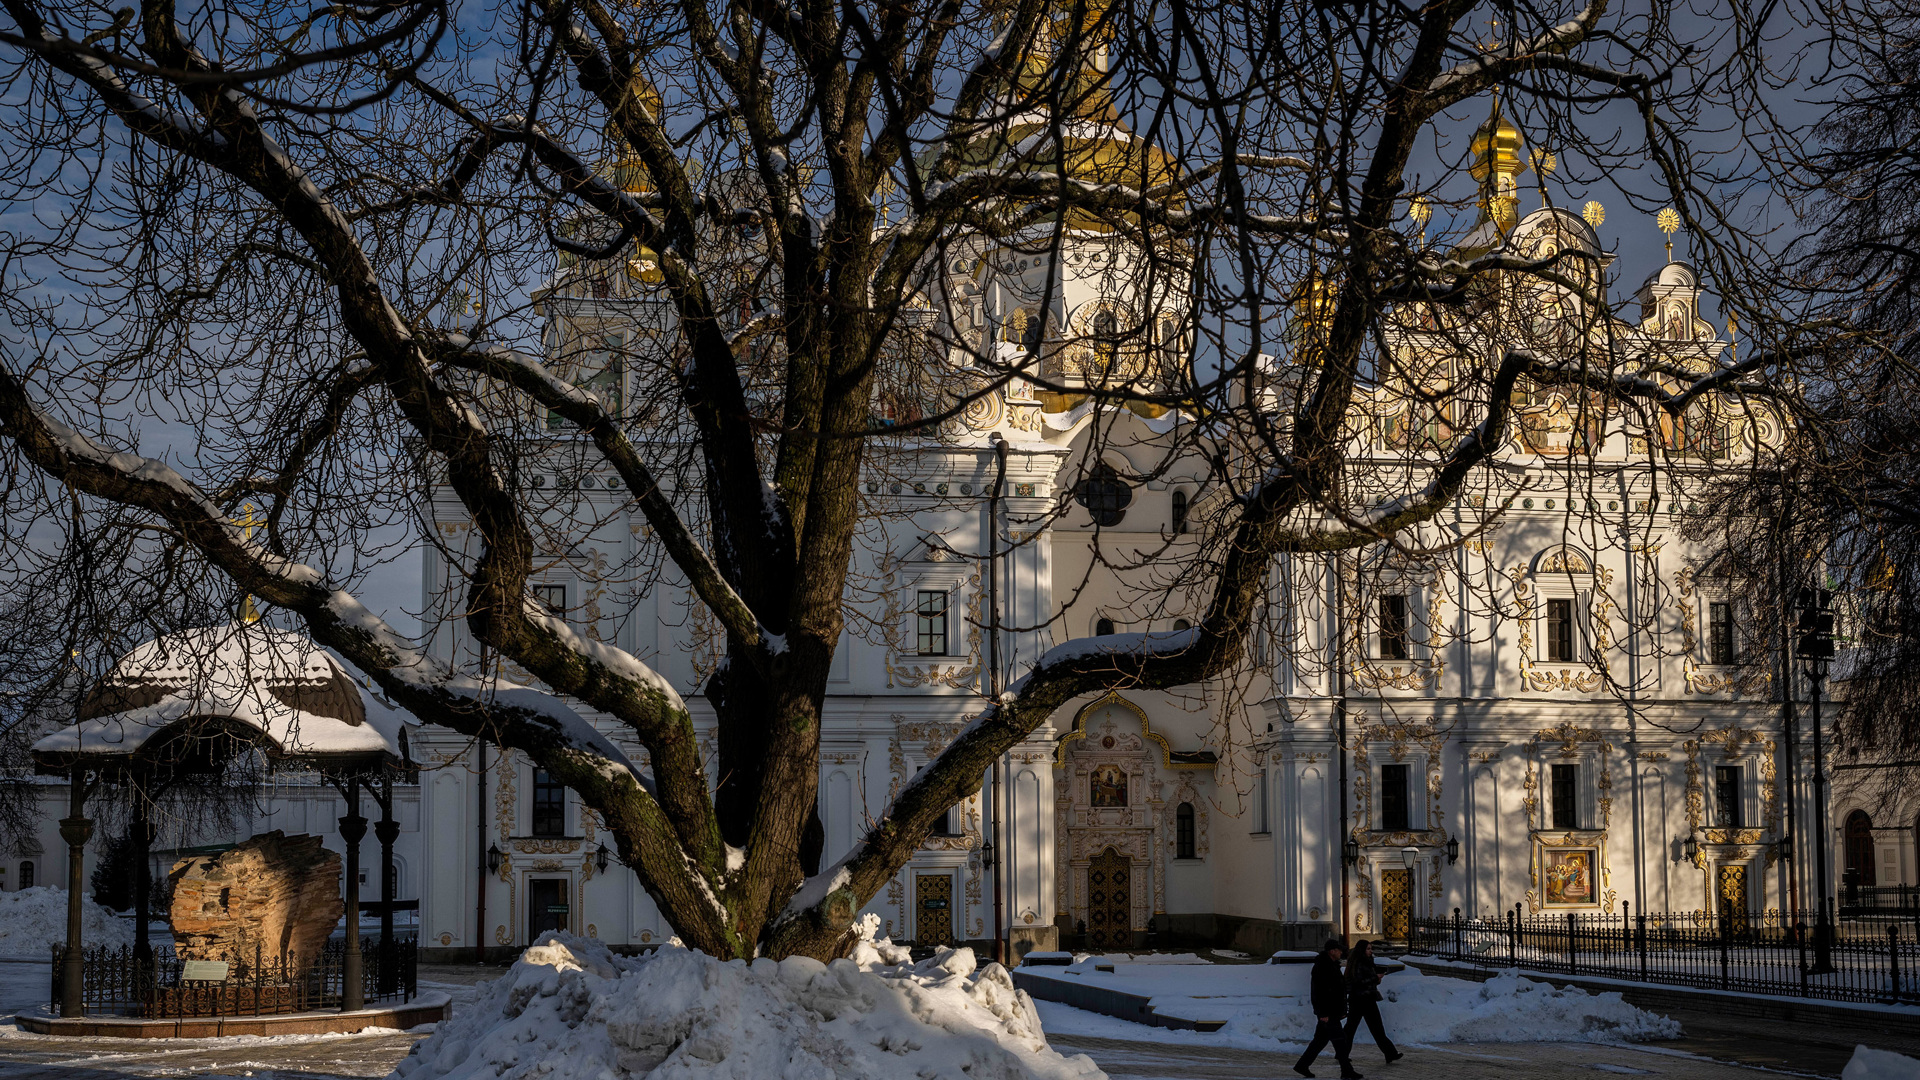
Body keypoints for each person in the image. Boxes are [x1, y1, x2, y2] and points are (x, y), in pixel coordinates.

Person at [1293, 938, 1361, 1079]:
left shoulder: (1332, 965)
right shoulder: (1322, 967)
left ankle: (1302, 1065)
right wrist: (1322, 1013)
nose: (1341, 952)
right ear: (1332, 951)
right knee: (1340, 1042)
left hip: (1332, 1011)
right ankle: (1346, 1071)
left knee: (1319, 1041)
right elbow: (1319, 992)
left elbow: (1337, 989)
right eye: (1338, 950)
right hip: (1328, 1013)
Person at [1340, 939, 1403, 1065]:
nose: (1370, 951)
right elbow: (1358, 981)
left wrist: (1376, 979)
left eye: (1371, 948)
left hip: (1366, 998)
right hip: (1360, 1000)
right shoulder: (1358, 962)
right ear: (1362, 950)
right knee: (1354, 1029)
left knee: (1373, 1028)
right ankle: (1342, 1053)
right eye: (1368, 949)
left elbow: (1366, 980)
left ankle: (1390, 1053)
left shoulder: (1367, 962)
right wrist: (1375, 978)